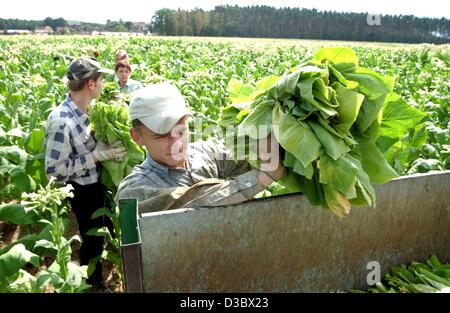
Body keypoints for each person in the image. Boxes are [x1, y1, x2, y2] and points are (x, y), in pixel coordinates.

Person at [116, 82, 285, 213]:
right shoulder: (133, 190)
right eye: (161, 135)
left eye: (181, 130)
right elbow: (194, 201)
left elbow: (248, 160)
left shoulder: (207, 153)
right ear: (137, 137)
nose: (176, 142)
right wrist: (264, 177)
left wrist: (272, 136)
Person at [44, 57, 127, 291]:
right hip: (82, 189)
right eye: (101, 80)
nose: (103, 85)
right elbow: (54, 170)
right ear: (91, 84)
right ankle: (93, 282)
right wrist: (95, 157)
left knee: (105, 229)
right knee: (91, 238)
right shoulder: (61, 120)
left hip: (99, 182)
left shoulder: (90, 109)